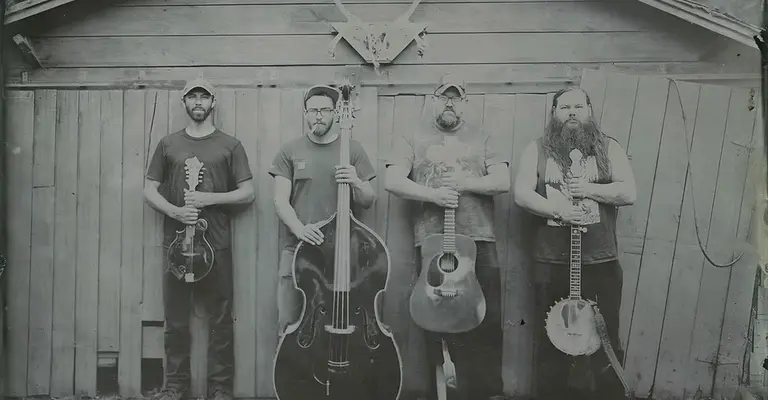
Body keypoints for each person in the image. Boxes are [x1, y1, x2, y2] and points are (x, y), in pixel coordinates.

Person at [384, 75, 510, 400]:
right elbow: (392, 180)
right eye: (444, 97)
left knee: (486, 318)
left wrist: (464, 183)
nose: (450, 103)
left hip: (479, 241)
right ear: (434, 100)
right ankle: (435, 392)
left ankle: (485, 393)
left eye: (456, 98)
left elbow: (502, 180)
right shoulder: (411, 137)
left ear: (465, 102)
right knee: (430, 318)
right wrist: (432, 194)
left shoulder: (484, 137)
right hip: (432, 246)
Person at [513, 86, 637, 400]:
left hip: (601, 261)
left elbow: (628, 192)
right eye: (564, 107)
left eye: (578, 106)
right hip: (551, 262)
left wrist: (588, 190)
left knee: (606, 339)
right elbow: (522, 193)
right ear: (554, 113)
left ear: (589, 111)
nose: (571, 113)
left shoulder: (610, 148)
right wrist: (559, 210)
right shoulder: (537, 149)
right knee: (550, 340)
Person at [144, 78, 255, 400]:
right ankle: (175, 387)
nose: (198, 102)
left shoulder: (230, 145)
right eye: (192, 97)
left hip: (216, 244)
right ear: (184, 103)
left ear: (213, 102)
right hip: (176, 244)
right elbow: (149, 189)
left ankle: (220, 389)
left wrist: (210, 200)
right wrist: (175, 212)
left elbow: (248, 193)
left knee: (220, 319)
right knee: (176, 320)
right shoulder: (168, 145)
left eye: (203, 97)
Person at [269, 84, 377, 335]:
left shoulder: (353, 149)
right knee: (288, 321)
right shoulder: (290, 150)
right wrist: (299, 229)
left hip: (341, 255)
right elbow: (280, 200)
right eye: (313, 110)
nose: (318, 116)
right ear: (305, 113)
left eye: (325, 110)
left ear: (335, 114)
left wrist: (356, 181)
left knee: (337, 324)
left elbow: (368, 199)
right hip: (297, 250)